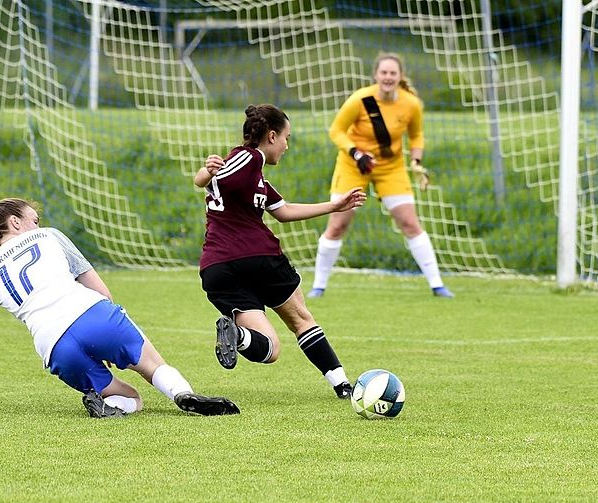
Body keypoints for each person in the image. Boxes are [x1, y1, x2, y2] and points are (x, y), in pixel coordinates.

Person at [0, 198, 240, 419]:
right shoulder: (49, 235)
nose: (36, 225)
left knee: (131, 398)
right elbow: (100, 289)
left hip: (55, 348)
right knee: (151, 365)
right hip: (93, 314)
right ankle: (181, 393)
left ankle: (108, 407)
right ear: (16, 223)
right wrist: (107, 335)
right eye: (33, 220)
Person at [193, 104, 367, 399]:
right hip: (256, 258)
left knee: (269, 348)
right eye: (286, 137)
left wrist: (334, 206)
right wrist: (206, 172)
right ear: (271, 136)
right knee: (301, 318)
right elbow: (217, 174)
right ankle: (341, 384)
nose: (287, 145)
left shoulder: (257, 178)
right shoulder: (248, 158)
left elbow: (284, 211)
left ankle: (238, 336)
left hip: (218, 270)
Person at [310, 52, 453, 298]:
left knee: (409, 222)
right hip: (353, 164)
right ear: (376, 75)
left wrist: (416, 161)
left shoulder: (411, 103)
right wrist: (356, 153)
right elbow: (336, 130)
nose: (388, 77)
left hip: (391, 166)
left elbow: (417, 135)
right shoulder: (361, 99)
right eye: (384, 72)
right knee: (337, 225)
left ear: (400, 76)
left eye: (392, 73)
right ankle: (318, 287)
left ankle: (438, 285)